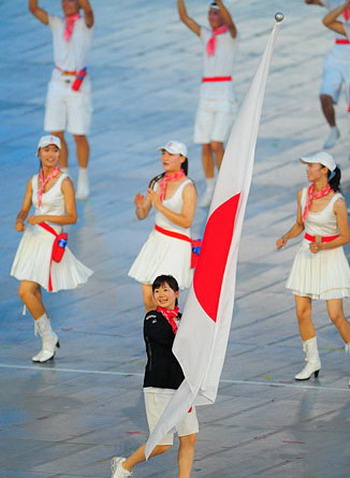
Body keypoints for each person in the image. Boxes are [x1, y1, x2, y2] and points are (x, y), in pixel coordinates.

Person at [11, 135, 93, 363]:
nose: (51, 154)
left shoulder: (64, 182)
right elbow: (25, 208)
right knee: (33, 292)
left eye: (55, 150)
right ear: (38, 153)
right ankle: (48, 338)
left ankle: (48, 337)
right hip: (33, 238)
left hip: (50, 238)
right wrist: (20, 220)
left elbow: (72, 216)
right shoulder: (34, 180)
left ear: (59, 154)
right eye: (46, 150)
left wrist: (44, 216)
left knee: (25, 291)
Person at [110, 275, 198, 478]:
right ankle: (124, 466)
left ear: (176, 293)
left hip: (183, 386)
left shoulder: (184, 319)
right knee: (161, 444)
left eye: (165, 290)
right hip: (159, 387)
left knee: (189, 437)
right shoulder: (152, 319)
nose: (160, 295)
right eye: (157, 291)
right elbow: (172, 342)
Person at [276, 151, 350, 385]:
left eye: (312, 166)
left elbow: (345, 236)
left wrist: (323, 244)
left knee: (336, 315)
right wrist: (286, 237)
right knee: (302, 312)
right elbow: (300, 224)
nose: (307, 169)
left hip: (329, 257)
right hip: (307, 254)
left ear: (325, 170)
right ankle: (312, 360)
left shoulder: (337, 202)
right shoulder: (303, 194)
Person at [28, 0, 94, 199]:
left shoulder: (86, 23)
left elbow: (89, 10)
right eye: (63, 1)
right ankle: (64, 176)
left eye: (71, 1)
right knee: (56, 133)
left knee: (78, 133)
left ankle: (83, 178)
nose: (66, 4)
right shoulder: (57, 23)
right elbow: (34, 9)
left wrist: (83, 4)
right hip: (57, 81)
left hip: (78, 83)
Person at [177, 0, 238, 207]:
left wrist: (220, 3)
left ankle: (225, 185)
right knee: (204, 144)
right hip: (206, 93)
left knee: (216, 143)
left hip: (223, 93)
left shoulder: (229, 36)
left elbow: (230, 23)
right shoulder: (206, 35)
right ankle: (211, 187)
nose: (211, 17)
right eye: (209, 13)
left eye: (215, 13)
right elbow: (185, 18)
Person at [128, 140, 197, 311]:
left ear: (182, 158)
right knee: (148, 297)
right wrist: (139, 206)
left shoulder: (188, 187)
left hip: (176, 243)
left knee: (165, 297)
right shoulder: (158, 182)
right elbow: (143, 215)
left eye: (170, 154)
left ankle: (170, 335)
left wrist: (160, 207)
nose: (165, 157)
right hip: (156, 240)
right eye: (163, 153)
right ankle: (153, 334)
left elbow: (187, 220)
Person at [305, 0, 350, 149]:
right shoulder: (335, 1)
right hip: (337, 53)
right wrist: (343, 6)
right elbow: (309, 1)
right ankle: (333, 129)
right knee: (325, 96)